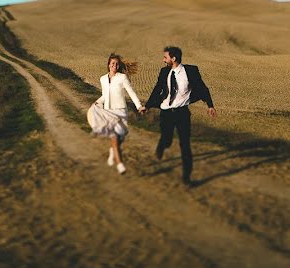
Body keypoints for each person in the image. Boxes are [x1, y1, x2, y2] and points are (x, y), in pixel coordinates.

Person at [144, 45, 216, 185]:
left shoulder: (191, 71)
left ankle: (186, 178)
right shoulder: (164, 72)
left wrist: (210, 105)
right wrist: (147, 106)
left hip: (182, 113)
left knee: (185, 145)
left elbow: (202, 87)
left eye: (165, 57)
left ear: (174, 58)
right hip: (166, 112)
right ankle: (162, 145)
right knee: (167, 139)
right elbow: (157, 89)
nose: (163, 60)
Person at [88, 53, 146, 175]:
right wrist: (96, 102)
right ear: (109, 65)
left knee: (120, 138)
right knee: (114, 138)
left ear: (118, 66)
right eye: (112, 63)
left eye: (116, 64)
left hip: (121, 111)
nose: (114, 65)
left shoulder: (122, 77)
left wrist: (139, 106)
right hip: (109, 111)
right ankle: (120, 164)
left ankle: (112, 151)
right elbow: (105, 95)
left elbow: (131, 92)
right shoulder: (103, 79)